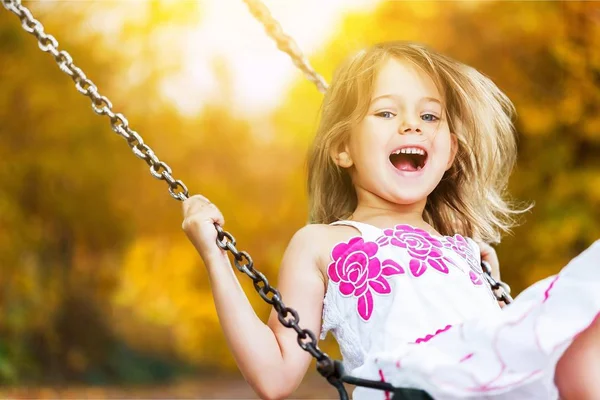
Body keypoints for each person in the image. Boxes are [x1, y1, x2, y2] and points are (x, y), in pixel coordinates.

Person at [181, 41, 600, 399]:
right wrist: (215, 256)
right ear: (343, 149)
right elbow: (275, 377)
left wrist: (483, 275)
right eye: (385, 113)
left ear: (449, 153)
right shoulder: (321, 244)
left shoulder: (465, 249)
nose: (411, 125)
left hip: (484, 381)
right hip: (410, 386)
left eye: (429, 116)